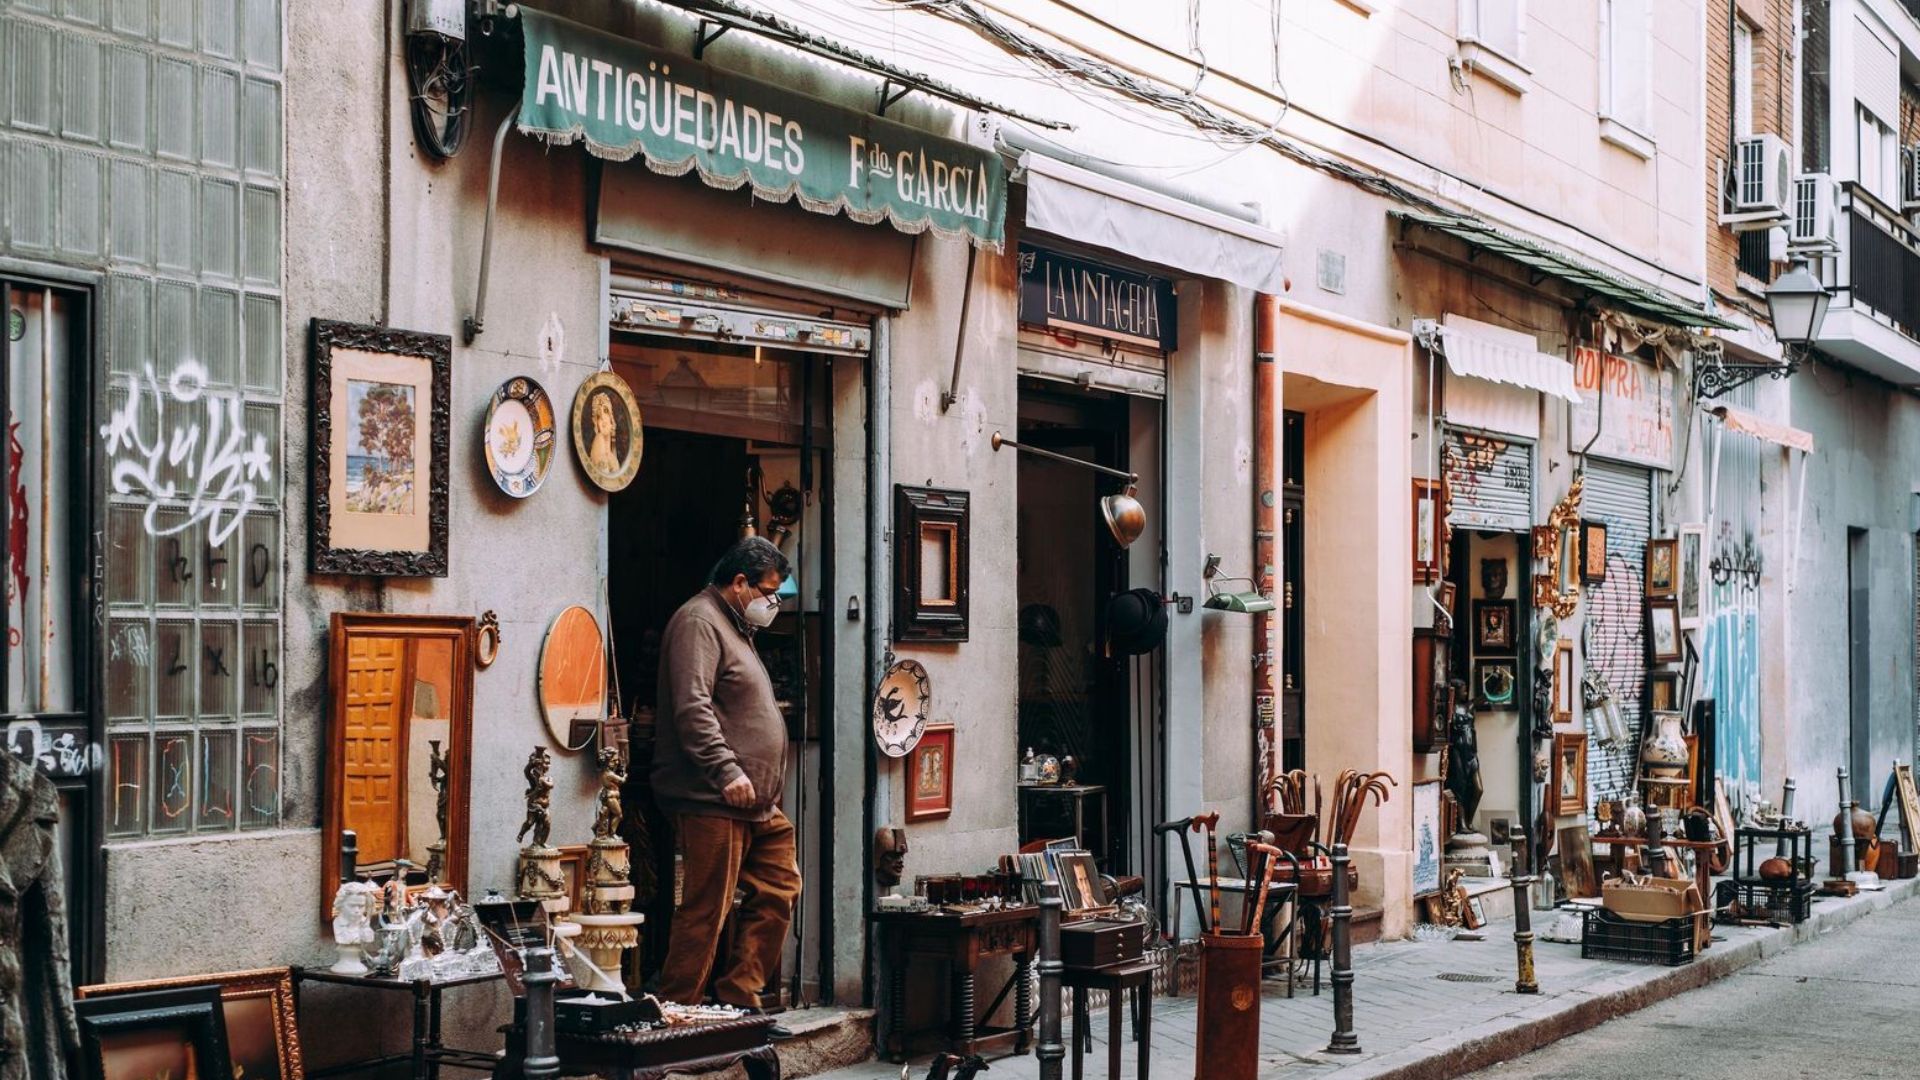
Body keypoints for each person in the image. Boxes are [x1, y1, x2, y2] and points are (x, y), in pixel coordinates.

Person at [653, 537, 800, 1036]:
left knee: (779, 887)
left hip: (757, 802)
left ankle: (740, 994)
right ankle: (676, 1016)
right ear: (739, 583)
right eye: (768, 591)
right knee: (706, 909)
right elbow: (692, 706)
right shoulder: (699, 621)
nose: (772, 602)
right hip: (714, 797)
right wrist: (726, 770)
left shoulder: (734, 625)